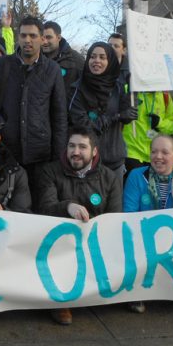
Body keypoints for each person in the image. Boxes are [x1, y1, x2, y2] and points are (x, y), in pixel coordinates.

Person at [37, 126, 123, 325]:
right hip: (61, 242)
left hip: (94, 241)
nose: (76, 152)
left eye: (82, 147)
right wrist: (68, 207)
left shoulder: (109, 177)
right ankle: (60, 303)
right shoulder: (50, 171)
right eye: (71, 146)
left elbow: (115, 217)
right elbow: (44, 209)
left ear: (94, 152)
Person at [0, 16, 68, 204]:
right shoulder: (2, 65)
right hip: (6, 152)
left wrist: (58, 157)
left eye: (33, 35)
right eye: (24, 35)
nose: (28, 40)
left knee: (37, 209)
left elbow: (59, 115)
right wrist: (0, 122)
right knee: (3, 206)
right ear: (18, 37)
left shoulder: (52, 70)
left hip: (40, 156)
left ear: (42, 39)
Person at [123, 134, 173, 314]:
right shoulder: (136, 176)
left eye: (165, 152)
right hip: (143, 237)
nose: (158, 156)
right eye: (154, 151)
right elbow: (129, 214)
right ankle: (136, 292)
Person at [68, 42, 137, 178]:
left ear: (109, 61)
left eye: (102, 57)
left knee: (114, 199)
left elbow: (127, 116)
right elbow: (83, 125)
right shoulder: (77, 89)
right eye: (93, 57)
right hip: (86, 161)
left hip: (114, 160)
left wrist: (131, 91)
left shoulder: (117, 86)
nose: (96, 61)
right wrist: (115, 117)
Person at [122, 91, 173, 174]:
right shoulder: (129, 90)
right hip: (131, 154)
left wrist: (160, 123)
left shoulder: (164, 95)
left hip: (157, 156)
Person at [42, 21, 85, 100]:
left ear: (58, 38)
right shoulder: (36, 58)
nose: (44, 42)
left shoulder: (76, 59)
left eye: (48, 37)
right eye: (42, 38)